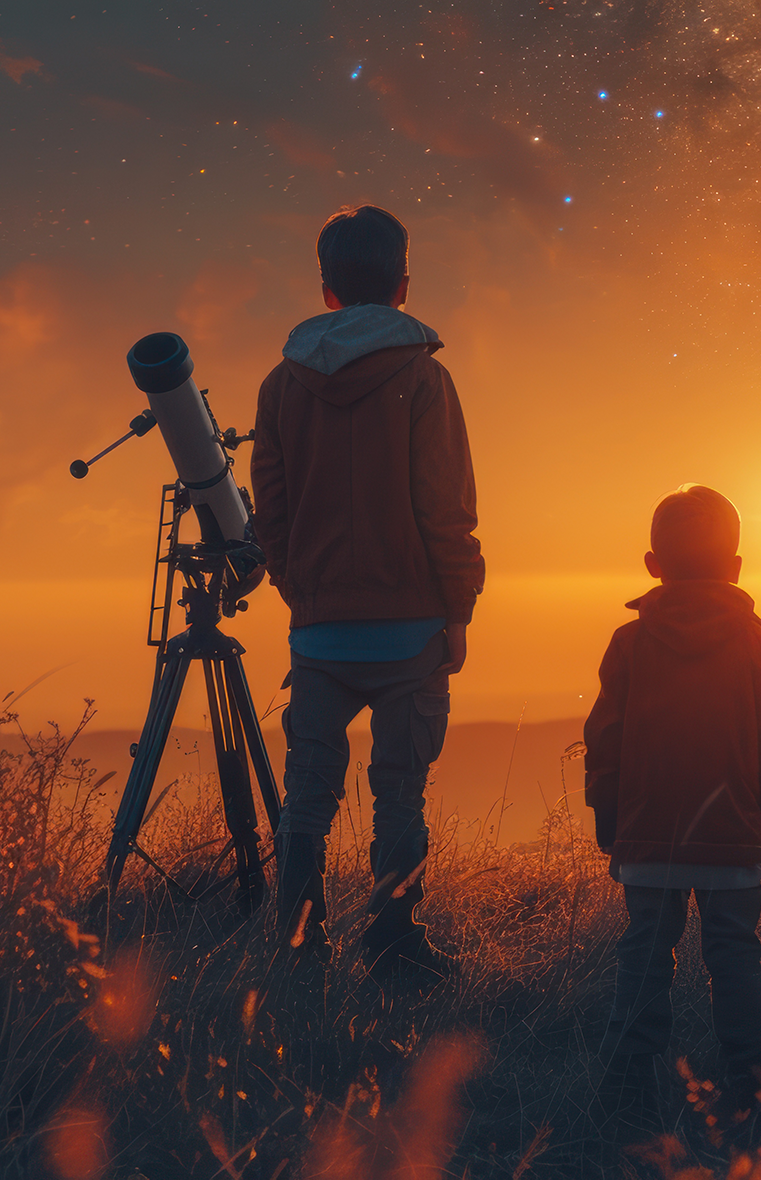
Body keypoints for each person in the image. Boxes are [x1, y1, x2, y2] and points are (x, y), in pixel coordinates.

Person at [250, 204, 483, 980]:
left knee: (307, 794)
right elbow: (444, 507)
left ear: (326, 292)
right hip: (412, 626)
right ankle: (390, 940)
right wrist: (457, 610)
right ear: (404, 285)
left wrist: (300, 590)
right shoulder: (424, 378)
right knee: (399, 794)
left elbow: (271, 512)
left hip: (319, 631)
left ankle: (298, 943)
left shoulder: (281, 385)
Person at [583, 484, 761, 1139]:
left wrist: (608, 817)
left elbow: (605, 738)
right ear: (736, 567)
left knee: (643, 962)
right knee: (736, 960)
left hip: (647, 838)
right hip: (735, 835)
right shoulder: (760, 646)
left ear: (653, 564)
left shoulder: (628, 644)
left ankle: (625, 1097)